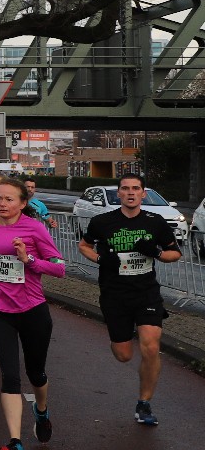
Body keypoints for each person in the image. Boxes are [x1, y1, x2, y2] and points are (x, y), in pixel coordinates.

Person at [0, 176, 65, 450]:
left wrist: (28, 259)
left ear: (22, 203)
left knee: (36, 374)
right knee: (10, 376)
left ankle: (41, 411)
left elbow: (59, 268)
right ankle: (15, 443)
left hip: (33, 311)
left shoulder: (34, 228)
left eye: (9, 199)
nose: (2, 203)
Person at [78, 174, 182, 426]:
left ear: (143, 193)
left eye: (136, 188)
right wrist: (101, 259)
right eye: (125, 189)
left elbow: (175, 253)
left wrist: (156, 252)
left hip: (146, 292)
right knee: (124, 355)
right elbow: (83, 246)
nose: (131, 193)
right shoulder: (102, 221)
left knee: (150, 346)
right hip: (114, 294)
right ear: (119, 194)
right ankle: (121, 338)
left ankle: (144, 403)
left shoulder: (155, 221)